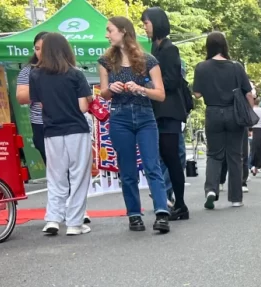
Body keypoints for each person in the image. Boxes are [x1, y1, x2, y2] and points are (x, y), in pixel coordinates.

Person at [98, 17, 170, 233]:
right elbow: (103, 93)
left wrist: (141, 89)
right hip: (119, 117)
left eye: (110, 30)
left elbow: (160, 94)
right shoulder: (105, 62)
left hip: (145, 115)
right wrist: (113, 88)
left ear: (123, 31)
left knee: (152, 165)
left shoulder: (148, 60)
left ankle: (161, 212)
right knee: (127, 169)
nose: (107, 35)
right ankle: (134, 214)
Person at [31, 33, 94, 237]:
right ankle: (75, 222)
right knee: (78, 176)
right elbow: (83, 107)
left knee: (56, 177)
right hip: (76, 129)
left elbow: (40, 103)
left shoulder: (36, 75)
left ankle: (52, 218)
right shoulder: (75, 74)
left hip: (51, 131)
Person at [192, 32, 252, 208]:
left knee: (213, 154)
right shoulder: (236, 67)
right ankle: (236, 198)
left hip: (213, 113)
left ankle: (211, 188)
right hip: (234, 114)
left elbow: (197, 94)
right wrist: (249, 114)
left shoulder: (201, 67)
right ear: (225, 45)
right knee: (235, 155)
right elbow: (248, 93)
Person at [142, 7, 189, 222]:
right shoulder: (155, 47)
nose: (144, 26)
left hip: (169, 110)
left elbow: (172, 81)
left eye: (147, 22)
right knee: (164, 157)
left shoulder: (169, 49)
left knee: (171, 158)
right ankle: (170, 201)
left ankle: (180, 203)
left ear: (157, 23)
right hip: (158, 109)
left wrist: (148, 83)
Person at [15, 32, 49, 170]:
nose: (40, 52)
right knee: (53, 168)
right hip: (41, 125)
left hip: (67, 123)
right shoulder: (28, 71)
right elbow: (21, 98)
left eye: (44, 49)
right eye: (37, 48)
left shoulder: (68, 69)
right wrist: (42, 88)